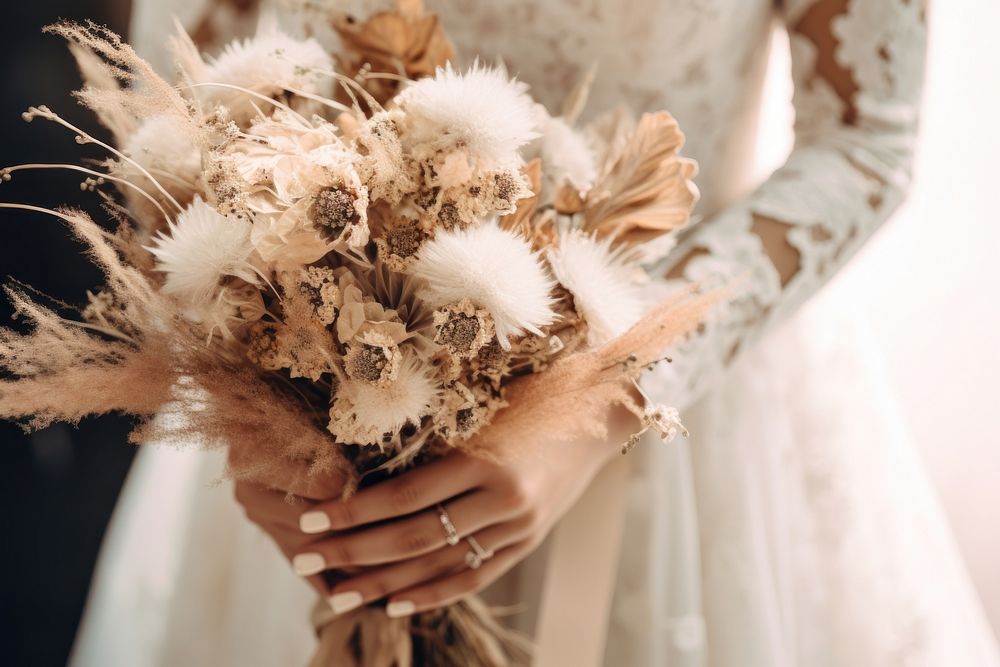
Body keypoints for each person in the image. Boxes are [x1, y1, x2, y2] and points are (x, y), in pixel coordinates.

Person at [72, 0, 1000, 665]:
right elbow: (189, 70)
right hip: (311, 387)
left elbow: (867, 136)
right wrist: (260, 387)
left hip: (676, 410)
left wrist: (605, 392)